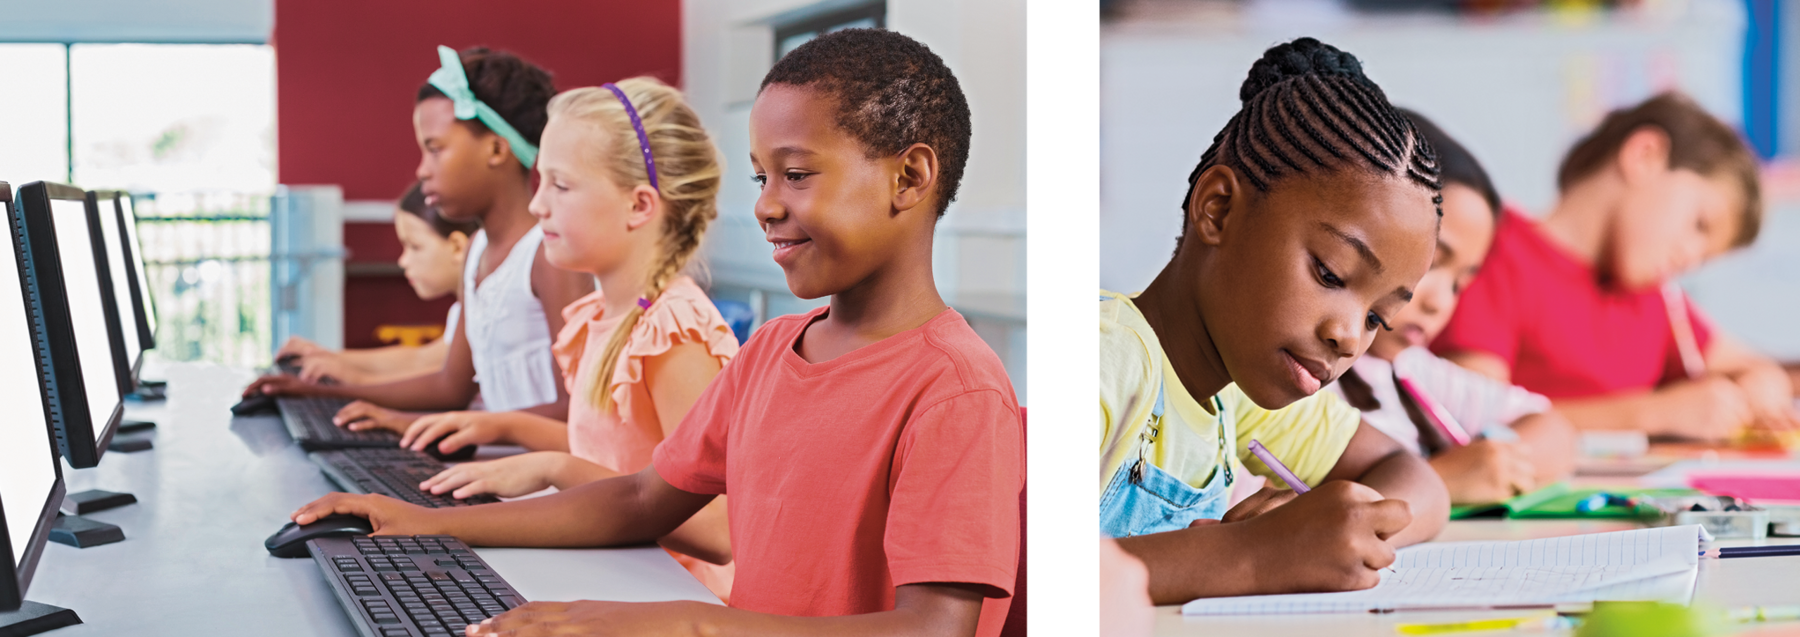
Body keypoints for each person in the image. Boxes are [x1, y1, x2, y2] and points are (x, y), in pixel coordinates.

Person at [290, 29, 1022, 636]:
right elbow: (645, 498)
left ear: (911, 176)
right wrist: (429, 524)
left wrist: (694, 624)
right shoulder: (771, 350)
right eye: (760, 178)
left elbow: (935, 626)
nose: (767, 206)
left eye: (795, 175)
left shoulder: (955, 388)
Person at [1098, 37, 1451, 605]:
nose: (1348, 336)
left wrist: (1345, 533)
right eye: (1331, 274)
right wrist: (1256, 554)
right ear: (1218, 209)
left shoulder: (1233, 392)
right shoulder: (1111, 359)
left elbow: (1414, 477)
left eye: (1377, 319)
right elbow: (1010, 573)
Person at [364, 78, 742, 603]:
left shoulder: (674, 334)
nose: (538, 205)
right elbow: (614, 452)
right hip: (618, 578)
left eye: (560, 186)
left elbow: (716, 530)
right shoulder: (600, 317)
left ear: (638, 206)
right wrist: (507, 428)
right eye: (540, 181)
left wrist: (556, 470)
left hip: (675, 599)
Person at [248, 46, 594, 428]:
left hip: (539, 484)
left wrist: (431, 424)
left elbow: (577, 408)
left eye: (435, 149)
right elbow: (450, 387)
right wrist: (321, 393)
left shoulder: (546, 254)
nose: (422, 170)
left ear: (497, 149)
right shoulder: (478, 251)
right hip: (496, 471)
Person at [1431, 93, 1798, 441]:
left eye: (1705, 257)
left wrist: (1760, 382)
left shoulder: (1651, 297)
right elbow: (1473, 419)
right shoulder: (1497, 253)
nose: (1690, 258)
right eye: (1699, 225)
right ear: (1645, 156)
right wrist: (1653, 414)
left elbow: (1751, 365)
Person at [1326, 109, 1577, 505]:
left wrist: (1495, 457)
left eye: (1460, 282)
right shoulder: (1307, 379)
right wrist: (1441, 481)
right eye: (1431, 264)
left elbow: (1555, 431)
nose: (1439, 302)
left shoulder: (1408, 372)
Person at [276, 181, 477, 386]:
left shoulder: (482, 312)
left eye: (414, 247)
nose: (403, 261)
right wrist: (328, 357)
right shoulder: (463, 310)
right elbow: (420, 359)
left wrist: (356, 379)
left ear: (457, 247)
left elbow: (439, 379)